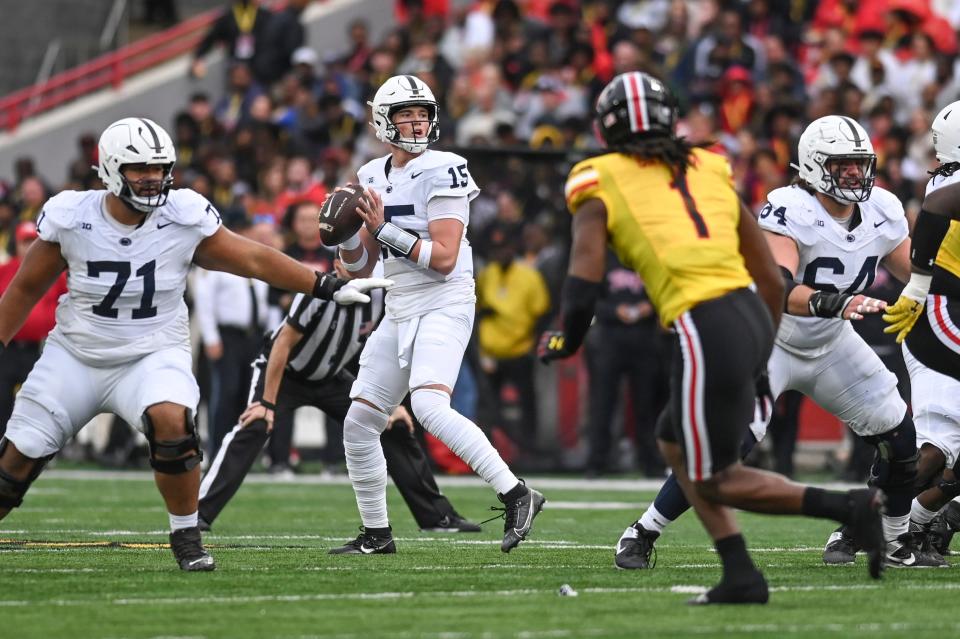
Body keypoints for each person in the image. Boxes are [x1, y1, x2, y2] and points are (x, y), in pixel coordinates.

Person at [538, 72, 885, 604]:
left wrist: (567, 338)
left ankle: (848, 509)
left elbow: (583, 282)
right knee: (672, 440)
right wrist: (759, 344)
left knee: (717, 475)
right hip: (749, 312)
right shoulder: (708, 163)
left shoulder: (595, 175)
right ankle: (740, 572)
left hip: (705, 320)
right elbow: (771, 279)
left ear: (606, 128)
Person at [0, 117, 389, 572]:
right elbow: (25, 290)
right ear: (108, 169)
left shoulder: (182, 213)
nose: (151, 177)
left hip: (151, 352)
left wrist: (321, 284)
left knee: (173, 424)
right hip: (76, 354)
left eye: (159, 167)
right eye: (138, 168)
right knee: (14, 466)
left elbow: (252, 258)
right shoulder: (73, 215)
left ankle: (186, 535)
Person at [612, 114, 942, 572]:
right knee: (726, 448)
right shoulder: (790, 208)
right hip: (770, 341)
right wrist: (837, 303)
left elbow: (916, 271)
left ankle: (884, 538)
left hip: (830, 344)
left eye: (859, 164)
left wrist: (937, 287)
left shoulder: (882, 209)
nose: (854, 174)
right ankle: (644, 530)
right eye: (842, 165)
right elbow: (780, 288)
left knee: (901, 441)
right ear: (812, 167)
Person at [334, 74, 545, 555]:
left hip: (444, 299)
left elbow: (445, 256)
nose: (416, 122)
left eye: (422, 113)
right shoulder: (370, 174)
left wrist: (381, 227)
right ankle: (376, 533)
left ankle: (516, 493)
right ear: (382, 121)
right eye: (406, 114)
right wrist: (345, 236)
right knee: (359, 421)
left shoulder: (446, 167)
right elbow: (360, 266)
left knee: (429, 406)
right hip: (399, 304)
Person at [198, 263, 481, 533]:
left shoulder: (380, 297)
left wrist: (388, 405)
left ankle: (436, 516)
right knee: (257, 424)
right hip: (286, 373)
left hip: (333, 376)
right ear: (337, 264)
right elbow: (282, 344)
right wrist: (266, 404)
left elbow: (376, 352)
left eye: (363, 259)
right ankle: (198, 512)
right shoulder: (318, 292)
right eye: (348, 258)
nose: (357, 266)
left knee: (392, 427)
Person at [883, 99, 960, 557]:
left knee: (945, 446)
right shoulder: (949, 183)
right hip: (940, 308)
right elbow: (936, 205)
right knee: (936, 447)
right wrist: (918, 281)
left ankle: (922, 518)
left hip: (941, 308)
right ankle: (865, 522)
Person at [0, 222, 67, 436]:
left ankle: (37, 443)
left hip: (40, 348)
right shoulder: (5, 271)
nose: (28, 247)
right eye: (25, 242)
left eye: (32, 242)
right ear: (17, 244)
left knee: (41, 399)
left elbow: (67, 300)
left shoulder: (54, 271)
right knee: (2, 399)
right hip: (8, 347)